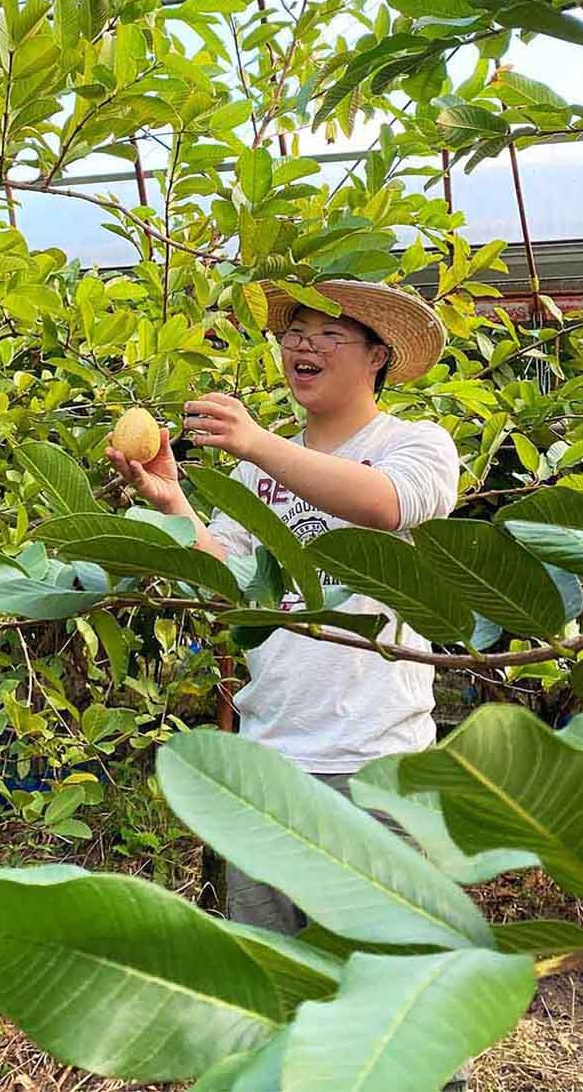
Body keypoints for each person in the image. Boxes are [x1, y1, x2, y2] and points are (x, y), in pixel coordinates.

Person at [106, 279, 460, 930]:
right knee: (275, 978)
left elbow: (385, 503)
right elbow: (231, 585)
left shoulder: (417, 443)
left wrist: (257, 441)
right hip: (271, 768)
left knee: (374, 981)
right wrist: (172, 502)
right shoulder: (255, 474)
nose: (304, 343)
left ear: (377, 354)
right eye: (296, 330)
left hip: (376, 766)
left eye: (329, 332)